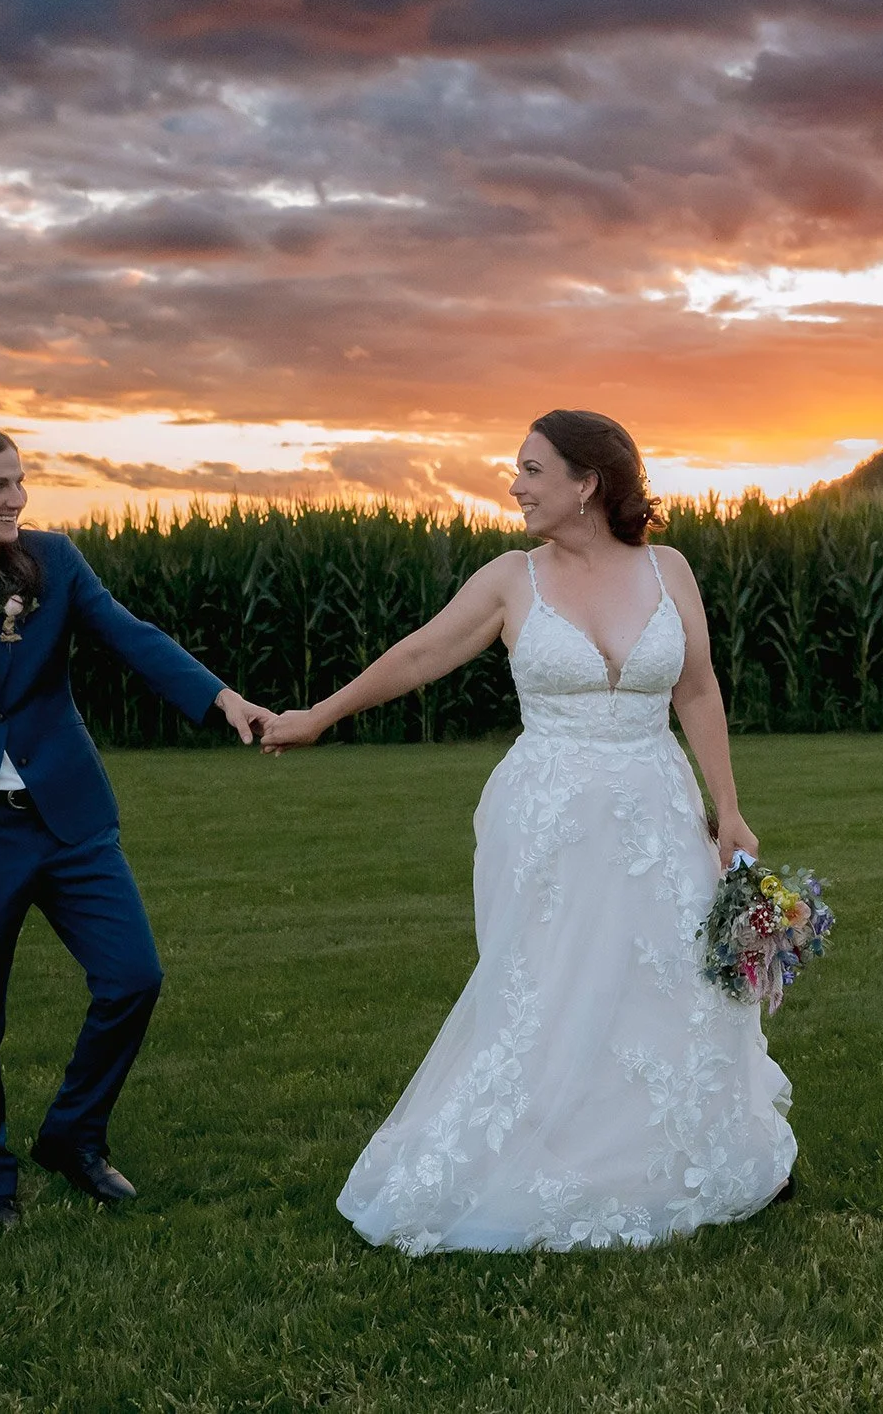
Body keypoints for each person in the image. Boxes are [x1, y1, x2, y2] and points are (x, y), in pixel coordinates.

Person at [261, 409, 797, 1252]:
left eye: (533, 469)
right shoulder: (513, 579)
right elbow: (415, 656)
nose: (516, 485)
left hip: (658, 810)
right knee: (552, 984)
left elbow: (696, 688)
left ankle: (689, 1154)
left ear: (588, 483)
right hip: (550, 815)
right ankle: (539, 1155)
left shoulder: (669, 569)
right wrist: (318, 717)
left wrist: (726, 809)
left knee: (672, 982)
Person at [0, 418, 273, 1230]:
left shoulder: (52, 563)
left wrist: (221, 698)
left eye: (20, 480)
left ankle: (74, 1133)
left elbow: (132, 638)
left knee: (133, 977)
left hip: (68, 818)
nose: (18, 498)